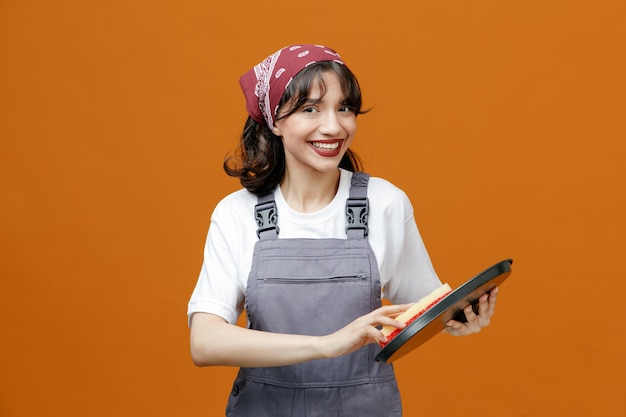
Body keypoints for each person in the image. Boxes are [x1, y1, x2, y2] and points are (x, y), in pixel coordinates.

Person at [187, 44, 498, 416]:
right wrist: (329, 344)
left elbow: (424, 308)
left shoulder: (385, 202)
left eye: (345, 108)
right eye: (310, 109)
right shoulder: (237, 214)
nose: (334, 126)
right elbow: (204, 343)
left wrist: (459, 319)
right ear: (274, 121)